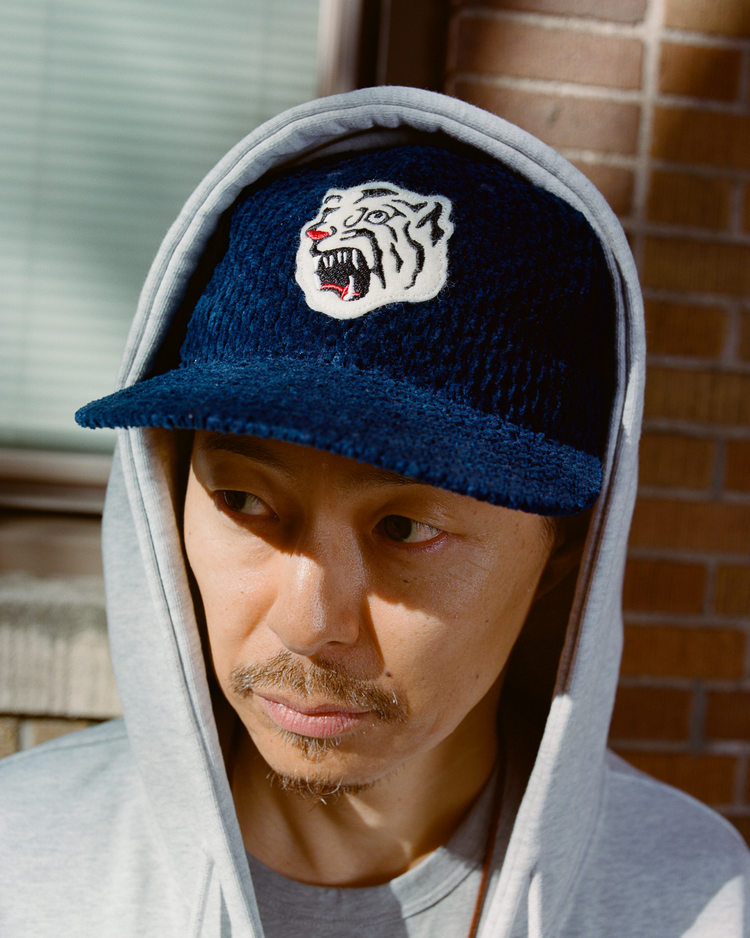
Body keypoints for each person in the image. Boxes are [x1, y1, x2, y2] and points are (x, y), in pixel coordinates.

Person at [1, 86, 748, 938]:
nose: (308, 621)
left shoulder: (698, 903)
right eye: (246, 503)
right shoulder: (19, 867)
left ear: (565, 548)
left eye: (405, 528)